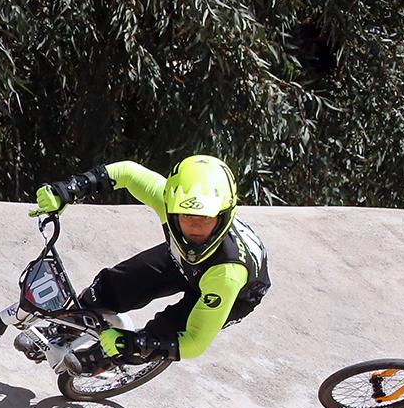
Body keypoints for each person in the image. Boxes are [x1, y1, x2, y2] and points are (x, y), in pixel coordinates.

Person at [28, 155, 270, 368]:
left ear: (224, 216)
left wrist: (131, 343)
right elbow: (127, 173)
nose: (195, 228)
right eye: (187, 216)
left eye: (205, 219)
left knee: (161, 335)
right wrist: (68, 190)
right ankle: (66, 327)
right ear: (172, 208)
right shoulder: (169, 201)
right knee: (114, 285)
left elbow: (195, 342)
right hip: (185, 261)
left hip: (231, 289)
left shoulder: (228, 275)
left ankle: (104, 361)